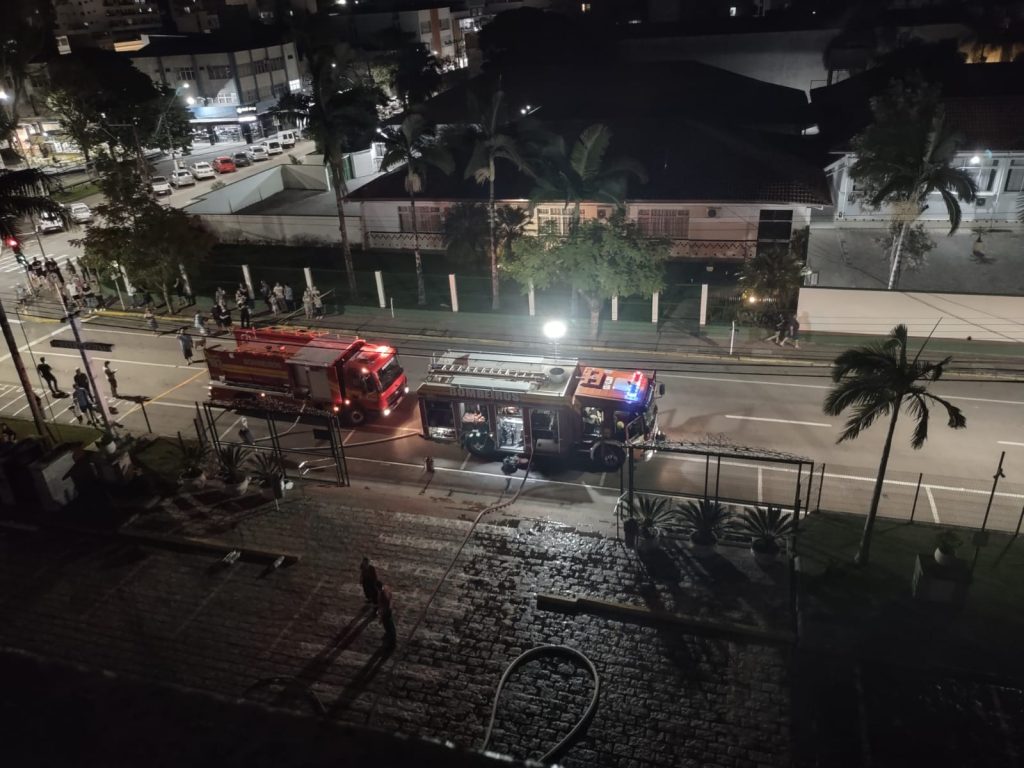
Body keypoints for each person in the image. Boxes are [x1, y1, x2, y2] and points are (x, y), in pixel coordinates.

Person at [377, 581, 396, 648]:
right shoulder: (386, 587)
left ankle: (391, 639)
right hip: (389, 609)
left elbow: (384, 605)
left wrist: (381, 615)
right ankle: (392, 636)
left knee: (388, 625)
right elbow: (390, 596)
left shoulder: (382, 594)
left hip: (386, 611)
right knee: (390, 623)